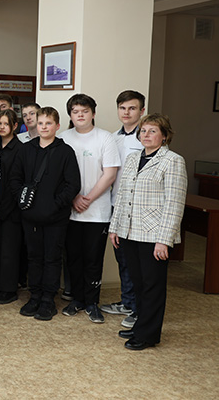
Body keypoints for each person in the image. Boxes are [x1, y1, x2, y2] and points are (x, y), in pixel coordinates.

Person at [109, 113, 187, 351]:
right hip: (129, 231)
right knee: (138, 283)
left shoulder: (173, 161)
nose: (146, 135)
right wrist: (115, 227)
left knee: (152, 286)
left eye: (152, 131)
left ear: (164, 136)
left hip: (154, 235)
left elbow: (174, 203)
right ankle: (140, 326)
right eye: (143, 131)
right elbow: (122, 195)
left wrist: (164, 240)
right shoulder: (133, 158)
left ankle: (148, 335)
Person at [10, 107, 80, 321]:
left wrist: (55, 205)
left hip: (55, 217)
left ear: (57, 126)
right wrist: (22, 201)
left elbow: (73, 185)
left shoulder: (65, 152)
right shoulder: (26, 149)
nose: (44, 127)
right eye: (40, 123)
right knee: (34, 257)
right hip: (30, 215)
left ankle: (48, 299)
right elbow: (15, 179)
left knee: (52, 258)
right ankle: (35, 296)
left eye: (48, 123)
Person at [60, 94, 121, 324]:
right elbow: (58, 174)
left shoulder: (105, 138)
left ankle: (92, 302)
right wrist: (74, 198)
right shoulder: (63, 138)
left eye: (85, 111)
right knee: (73, 258)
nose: (80, 115)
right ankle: (77, 299)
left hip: (97, 211)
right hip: (70, 211)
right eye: (75, 112)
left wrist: (87, 198)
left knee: (93, 259)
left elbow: (110, 174)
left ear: (93, 113)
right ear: (70, 115)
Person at [101, 90, 147, 327]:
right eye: (122, 108)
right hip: (115, 205)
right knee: (123, 257)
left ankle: (139, 309)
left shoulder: (147, 138)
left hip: (138, 208)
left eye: (132, 108)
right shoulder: (112, 138)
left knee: (138, 261)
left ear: (142, 111)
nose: (126, 112)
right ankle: (128, 302)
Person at [0, 109, 24, 305]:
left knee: (9, 251)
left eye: (6, 124)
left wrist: (5, 208)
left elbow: (16, 183)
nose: (2, 127)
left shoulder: (20, 149)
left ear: (14, 126)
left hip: (12, 207)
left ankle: (9, 289)